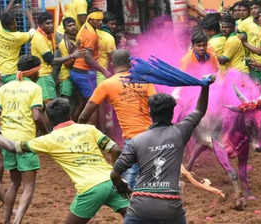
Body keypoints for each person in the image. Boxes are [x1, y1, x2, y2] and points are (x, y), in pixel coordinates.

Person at [0, 97, 129, 224]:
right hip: (111, 182)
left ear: (48, 118)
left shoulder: (49, 140)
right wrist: (117, 176)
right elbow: (116, 150)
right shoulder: (88, 129)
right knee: (137, 218)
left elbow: (12, 147)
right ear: (69, 113)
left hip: (89, 188)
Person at [110, 74, 214, 224]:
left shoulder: (136, 141)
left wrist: (121, 186)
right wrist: (205, 87)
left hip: (140, 206)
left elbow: (114, 174)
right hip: (170, 207)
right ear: (172, 113)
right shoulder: (180, 132)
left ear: (150, 113)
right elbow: (199, 111)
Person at [78, 49, 156, 189]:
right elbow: (156, 105)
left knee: (130, 175)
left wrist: (78, 129)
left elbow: (87, 112)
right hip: (151, 134)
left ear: (112, 64)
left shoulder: (107, 84)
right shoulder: (145, 80)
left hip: (132, 138)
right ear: (130, 63)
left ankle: (132, 205)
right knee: (149, 172)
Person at [0, 55, 48, 224]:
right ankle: (17, 221)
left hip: (6, 140)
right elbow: (36, 116)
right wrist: (46, 133)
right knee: (29, 186)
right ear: (34, 72)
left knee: (14, 183)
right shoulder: (35, 88)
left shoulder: (4, 88)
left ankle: (6, 220)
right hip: (25, 142)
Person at [71, 8, 111, 122]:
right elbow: (88, 58)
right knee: (94, 104)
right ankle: (91, 130)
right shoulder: (91, 34)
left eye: (101, 20)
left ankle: (75, 127)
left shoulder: (85, 27)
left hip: (77, 71)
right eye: (98, 20)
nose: (101, 23)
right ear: (91, 20)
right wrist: (103, 70)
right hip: (84, 73)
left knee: (83, 103)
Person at [0, 2, 36, 84]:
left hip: (0, 71)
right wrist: (29, 14)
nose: (16, 25)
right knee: (29, 84)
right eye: (13, 24)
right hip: (10, 73)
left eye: (15, 22)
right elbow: (33, 31)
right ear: (6, 26)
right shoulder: (18, 37)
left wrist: (12, 1)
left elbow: (4, 14)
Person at [239, 7, 261, 85]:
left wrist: (244, 42)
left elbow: (260, 51)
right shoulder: (260, 28)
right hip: (255, 65)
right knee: (256, 88)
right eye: (260, 16)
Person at [31, 12, 57, 104]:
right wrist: (72, 56)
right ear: (40, 25)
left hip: (46, 74)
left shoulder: (46, 35)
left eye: (51, 23)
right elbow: (50, 59)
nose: (51, 25)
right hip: (43, 75)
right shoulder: (39, 38)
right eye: (47, 23)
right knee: (50, 104)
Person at [96, 12, 117, 85]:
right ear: (103, 24)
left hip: (93, 69)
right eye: (112, 24)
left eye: (115, 24)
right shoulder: (109, 38)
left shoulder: (95, 32)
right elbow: (114, 58)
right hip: (103, 71)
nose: (114, 26)